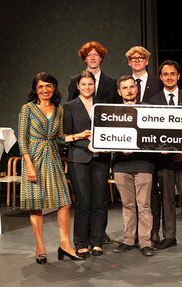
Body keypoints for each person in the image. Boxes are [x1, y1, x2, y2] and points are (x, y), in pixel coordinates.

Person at [18, 72, 83, 264]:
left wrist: (79, 135)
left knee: (65, 201)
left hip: (53, 158)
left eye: (48, 86)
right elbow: (22, 140)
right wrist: (29, 165)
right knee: (36, 204)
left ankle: (65, 244)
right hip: (34, 160)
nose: (45, 90)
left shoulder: (59, 109)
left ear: (54, 87)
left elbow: (60, 136)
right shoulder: (27, 109)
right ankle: (40, 247)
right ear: (35, 90)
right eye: (41, 87)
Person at [148, 60, 182, 252]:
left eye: (173, 74)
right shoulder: (153, 101)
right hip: (163, 159)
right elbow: (151, 131)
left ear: (178, 76)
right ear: (161, 77)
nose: (169, 77)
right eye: (165, 74)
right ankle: (169, 236)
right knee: (167, 199)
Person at [63, 71, 110, 257]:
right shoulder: (70, 107)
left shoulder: (103, 106)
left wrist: (106, 145)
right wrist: (87, 144)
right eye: (83, 84)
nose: (87, 87)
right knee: (83, 202)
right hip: (79, 159)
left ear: (94, 86)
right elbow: (67, 135)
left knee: (100, 201)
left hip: (101, 159)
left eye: (90, 84)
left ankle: (97, 241)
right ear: (78, 86)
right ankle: (81, 243)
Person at [112, 75, 155, 257]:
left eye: (131, 87)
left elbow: (155, 134)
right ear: (119, 91)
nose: (129, 90)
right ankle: (129, 239)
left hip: (144, 163)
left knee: (144, 205)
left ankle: (145, 241)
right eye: (125, 87)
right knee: (127, 204)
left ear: (136, 89)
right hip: (121, 164)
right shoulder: (111, 111)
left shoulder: (148, 109)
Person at [125, 45, 163, 246]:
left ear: (147, 61)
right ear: (129, 62)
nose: (137, 61)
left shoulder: (157, 83)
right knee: (132, 200)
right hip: (128, 152)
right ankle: (132, 236)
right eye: (133, 58)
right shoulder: (123, 84)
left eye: (141, 58)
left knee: (152, 195)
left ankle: (152, 232)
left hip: (152, 149)